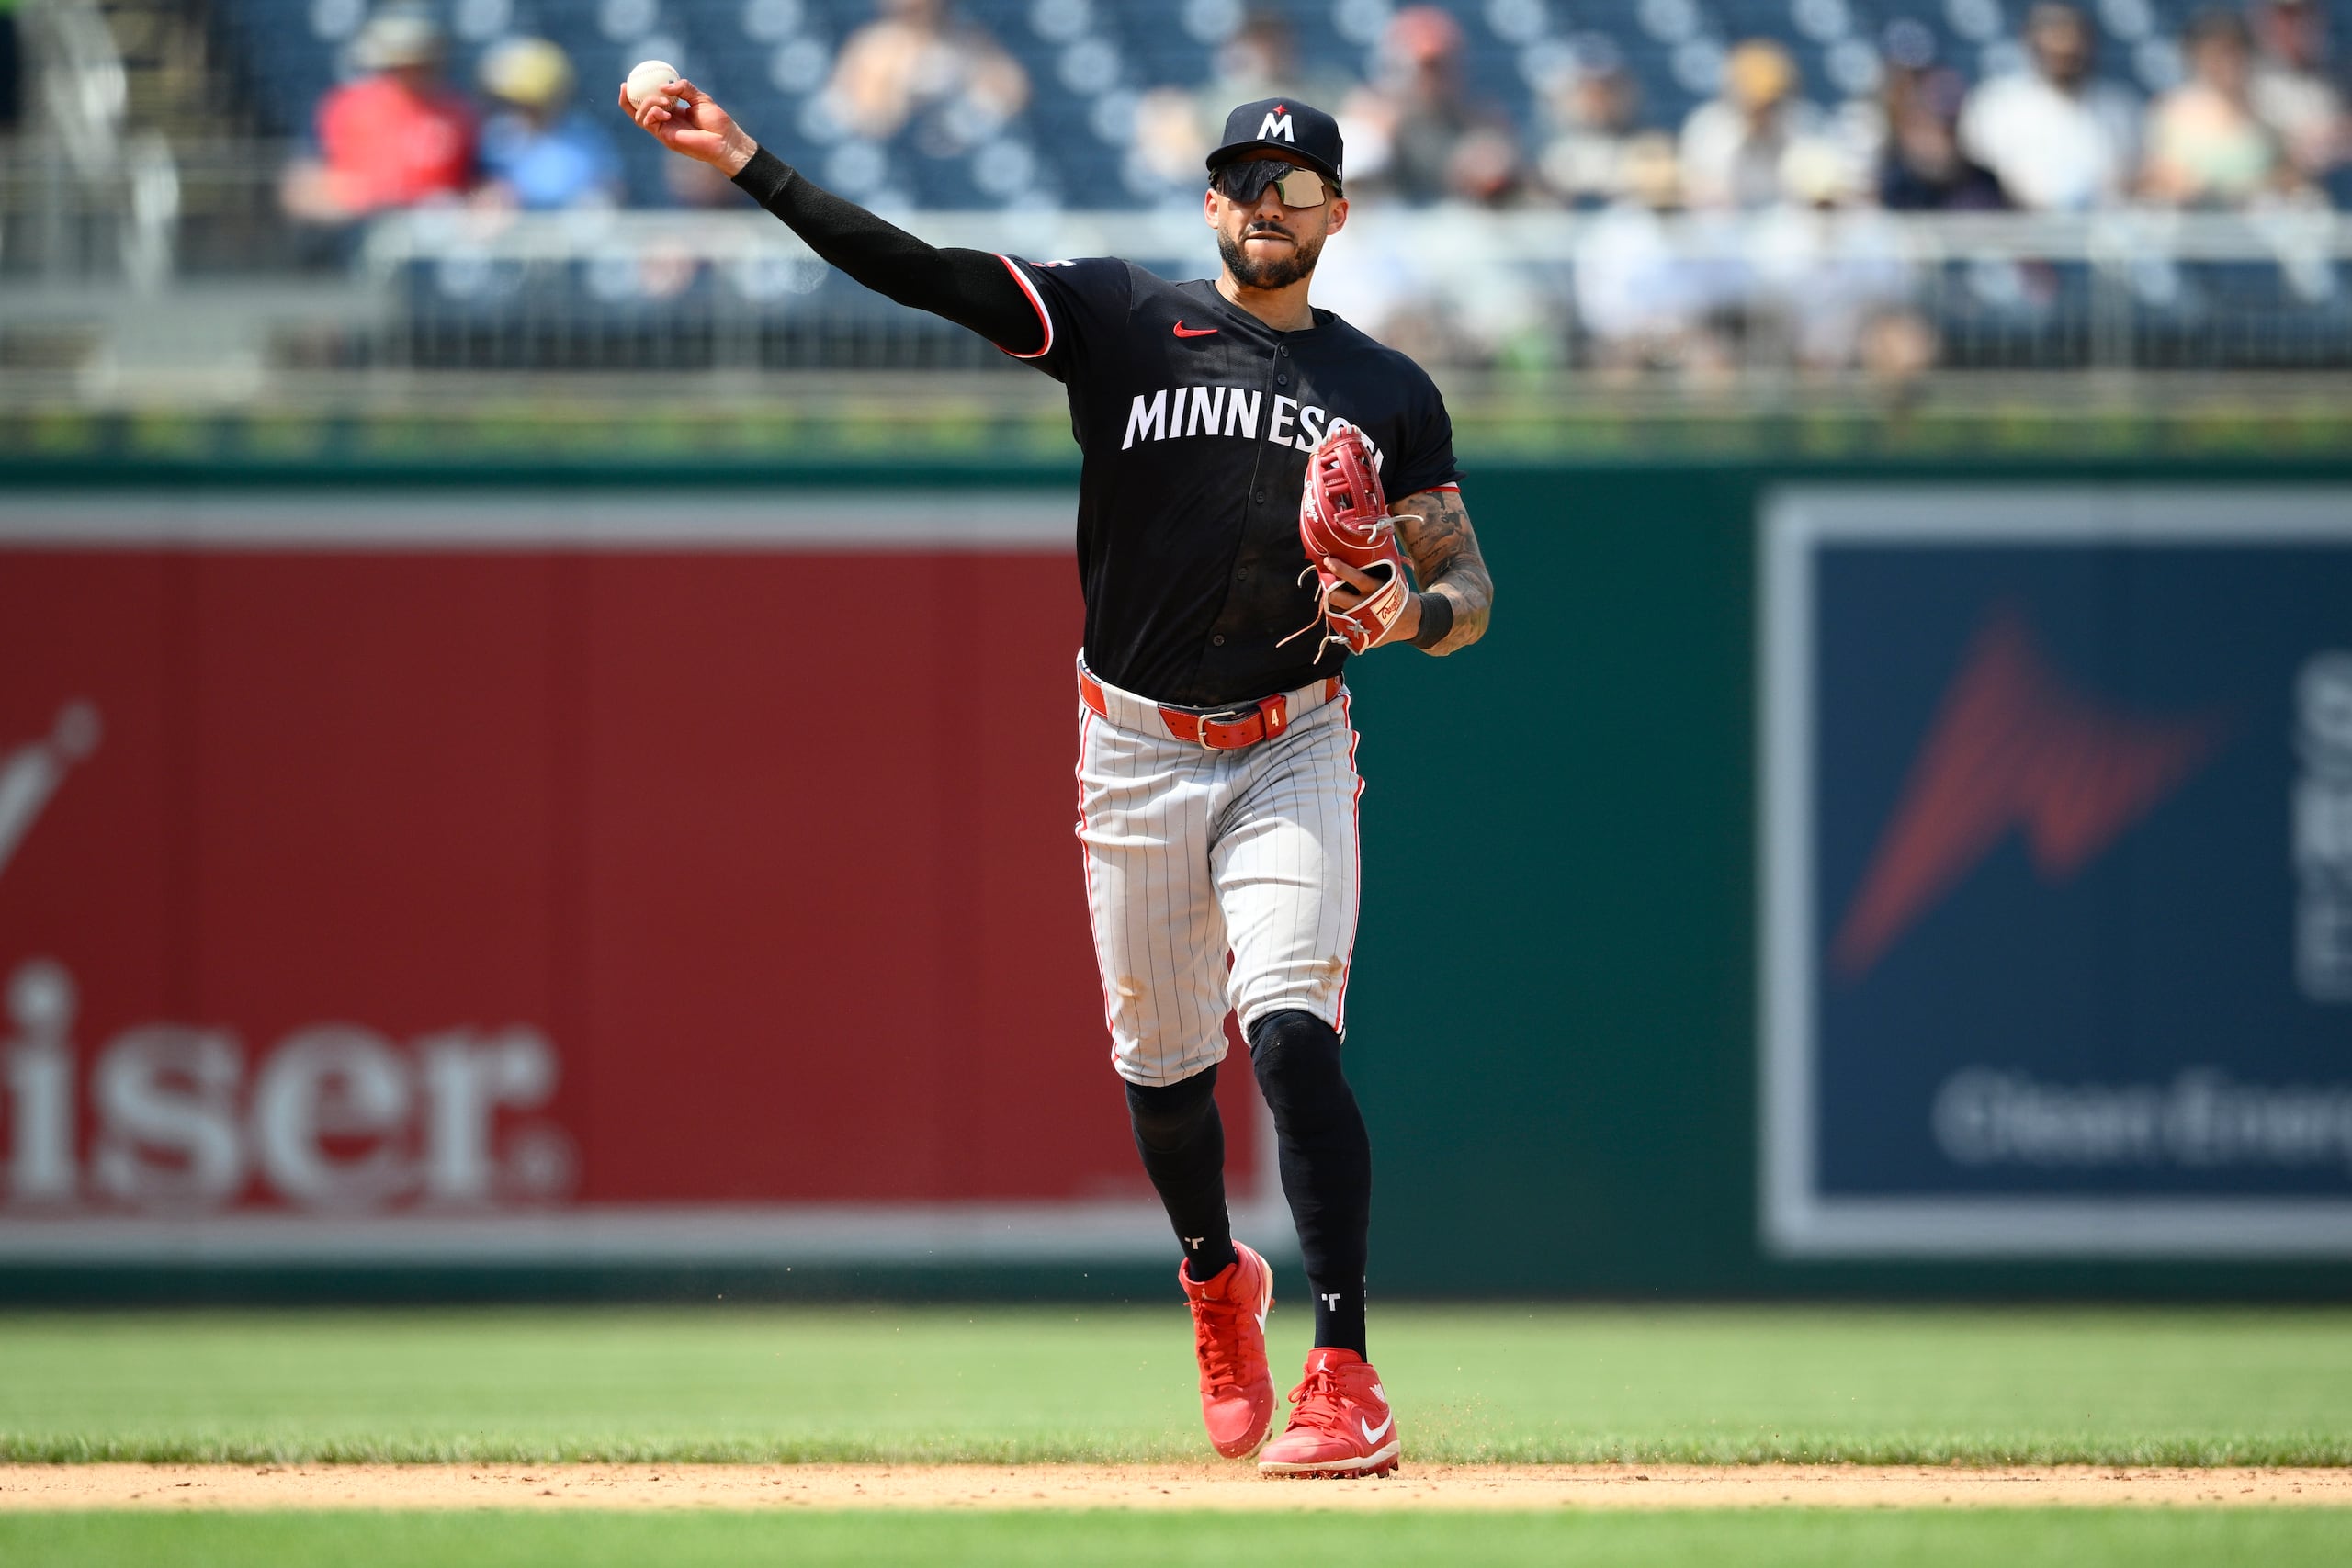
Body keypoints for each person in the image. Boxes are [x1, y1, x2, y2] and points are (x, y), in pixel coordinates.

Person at [623, 79, 1493, 1478]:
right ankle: (1218, 1280)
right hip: (1136, 745)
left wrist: (1411, 613)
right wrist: (745, 161)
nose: (1265, 204)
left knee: (1289, 1032)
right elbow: (918, 269)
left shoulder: (1386, 388)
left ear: (1337, 211)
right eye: (1241, 181)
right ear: (1210, 202)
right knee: (1163, 1071)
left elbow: (1468, 581)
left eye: (1295, 185)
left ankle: (1346, 1368)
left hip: (1292, 735)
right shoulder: (1123, 320)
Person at [282, 7, 476, 222]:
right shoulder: (345, 107)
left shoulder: (458, 112)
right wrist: (357, 197)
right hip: (360, 230)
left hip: (436, 232)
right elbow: (300, 191)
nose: (412, 70)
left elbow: (480, 185)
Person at [1958, 3, 2139, 210]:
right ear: (2032, 42)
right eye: (2055, 39)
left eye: (2075, 40)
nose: (2066, 49)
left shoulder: (2120, 107)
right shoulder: (1995, 103)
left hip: (2102, 230)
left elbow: (2130, 180)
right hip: (2017, 228)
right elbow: (1981, 177)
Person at [825, 0, 1028, 143]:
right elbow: (862, 112)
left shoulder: (968, 41)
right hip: (900, 153)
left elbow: (1013, 91)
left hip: (955, 149)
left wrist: (967, 116)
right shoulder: (874, 46)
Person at [2143, 10, 2290, 208]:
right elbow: (2156, 179)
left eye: (2234, 52)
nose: (2227, 63)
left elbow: (2288, 174)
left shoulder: (2270, 109)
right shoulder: (2171, 111)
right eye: (2216, 54)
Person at [477, 38, 622, 212]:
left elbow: (609, 192)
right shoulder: (496, 136)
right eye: (509, 102)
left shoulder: (584, 139)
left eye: (525, 102)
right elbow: (481, 191)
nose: (514, 110)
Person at [1679, 39, 1820, 210]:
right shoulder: (1708, 127)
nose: (1765, 112)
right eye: (1756, 103)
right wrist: (1746, 137)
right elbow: (1707, 194)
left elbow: (1814, 192)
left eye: (1772, 103)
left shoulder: (1802, 124)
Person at [2249, 0, 2348, 185]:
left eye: (2306, 14)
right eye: (2287, 16)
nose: (2298, 25)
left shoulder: (2339, 76)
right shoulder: (2246, 78)